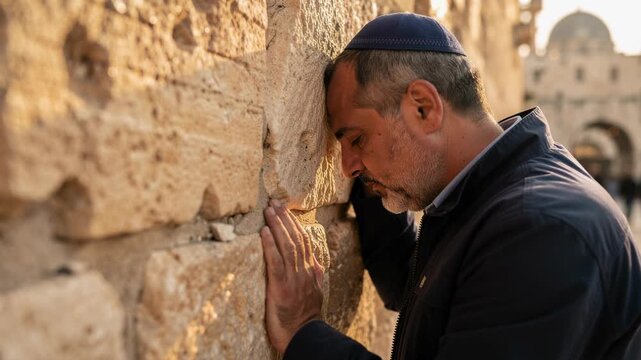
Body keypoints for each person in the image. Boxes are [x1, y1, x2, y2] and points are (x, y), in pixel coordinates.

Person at [259, 13, 641, 359]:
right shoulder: (491, 194)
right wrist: (374, 180)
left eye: (356, 139)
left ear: (424, 107)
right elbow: (425, 289)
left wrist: (304, 332)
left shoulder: (542, 230)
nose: (346, 167)